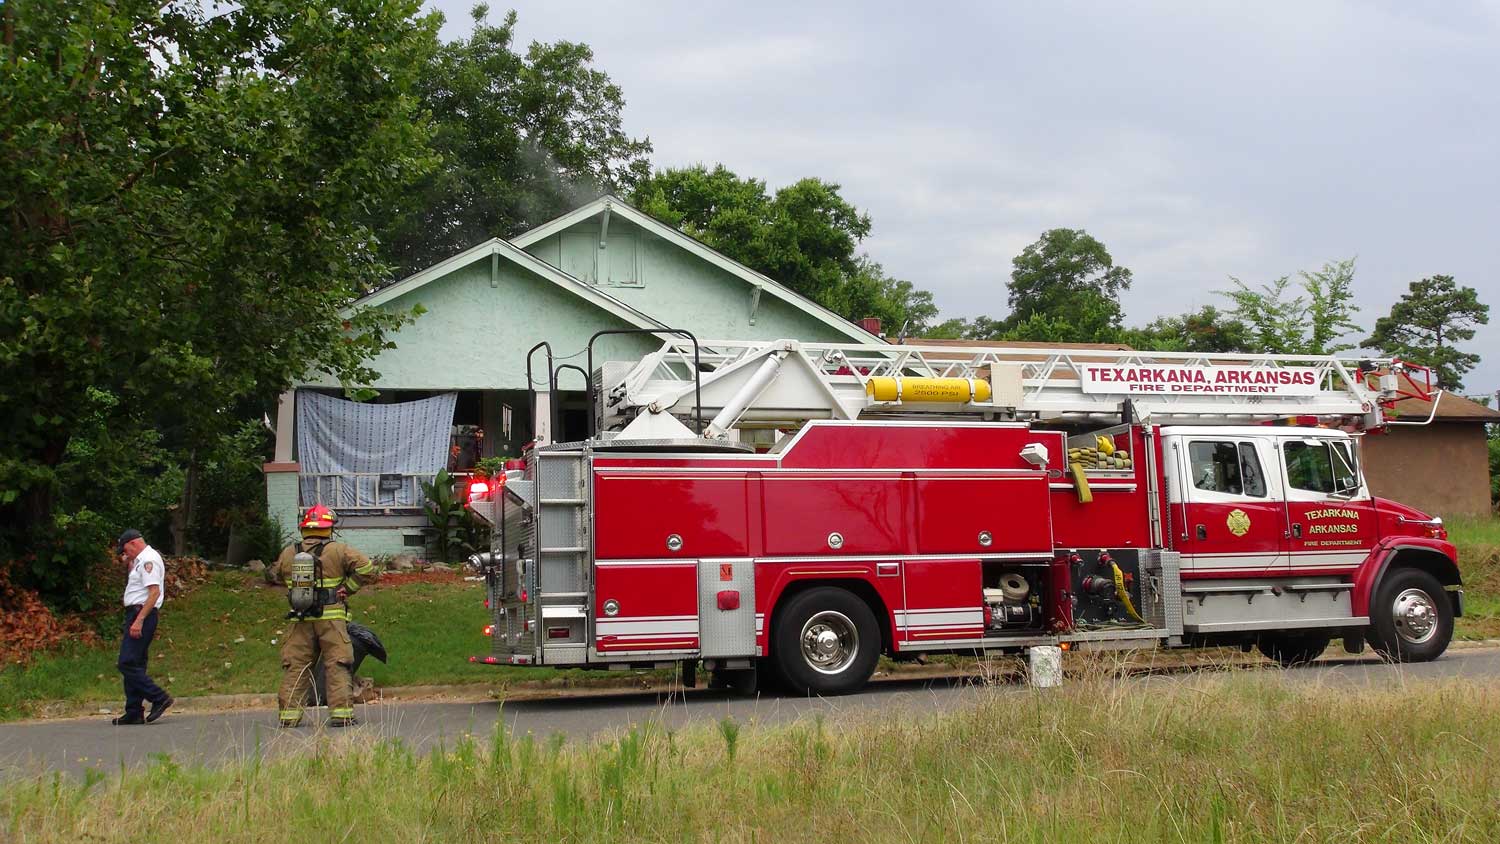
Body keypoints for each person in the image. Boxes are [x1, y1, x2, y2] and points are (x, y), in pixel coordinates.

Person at [271, 505, 376, 728]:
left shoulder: (289, 552)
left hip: (300, 618)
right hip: (331, 619)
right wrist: (348, 587)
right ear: (329, 528)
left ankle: (289, 716)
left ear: (304, 528)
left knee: (296, 666)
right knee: (337, 663)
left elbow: (275, 574)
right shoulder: (339, 550)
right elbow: (367, 568)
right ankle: (341, 714)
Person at [113, 529, 172, 725]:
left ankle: (159, 697)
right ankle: (133, 710)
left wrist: (139, 619)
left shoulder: (149, 560)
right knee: (135, 663)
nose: (124, 553)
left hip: (142, 614)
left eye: (125, 549)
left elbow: (153, 593)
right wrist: (128, 563)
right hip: (136, 613)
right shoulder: (139, 560)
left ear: (133, 543)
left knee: (127, 663)